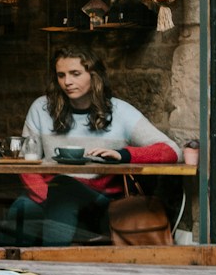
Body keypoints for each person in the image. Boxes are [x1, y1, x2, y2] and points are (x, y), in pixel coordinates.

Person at [11, 45, 181, 244]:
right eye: (61, 75)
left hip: (100, 198)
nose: (67, 82)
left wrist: (123, 155)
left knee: (65, 185)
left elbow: (172, 151)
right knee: (21, 209)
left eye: (75, 74)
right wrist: (45, 196)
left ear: (94, 75)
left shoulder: (120, 111)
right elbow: (26, 160)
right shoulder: (41, 108)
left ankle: (50, 264)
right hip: (51, 192)